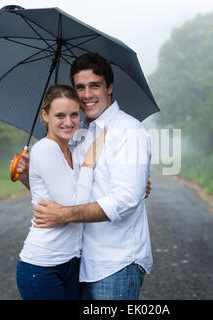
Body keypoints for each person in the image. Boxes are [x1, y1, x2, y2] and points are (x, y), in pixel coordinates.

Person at [15, 53, 153, 300]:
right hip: (79, 263)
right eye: (80, 87)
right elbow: (66, 193)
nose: (87, 94)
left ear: (109, 87)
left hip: (115, 262)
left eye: (95, 86)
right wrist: (31, 178)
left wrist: (66, 214)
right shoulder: (77, 134)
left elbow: (127, 199)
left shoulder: (128, 132)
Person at [16, 84, 106, 300]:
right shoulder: (46, 149)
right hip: (43, 266)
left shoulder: (71, 149)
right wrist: (89, 163)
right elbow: (74, 206)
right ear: (44, 115)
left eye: (74, 114)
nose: (69, 122)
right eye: (60, 115)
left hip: (71, 262)